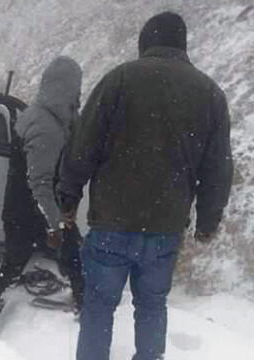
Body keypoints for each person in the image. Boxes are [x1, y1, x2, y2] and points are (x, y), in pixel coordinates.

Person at [56, 12, 233, 360]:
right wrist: (208, 221)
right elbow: (217, 169)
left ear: (146, 42)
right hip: (165, 228)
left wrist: (68, 196)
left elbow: (82, 146)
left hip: (112, 221)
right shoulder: (210, 94)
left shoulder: (120, 80)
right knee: (152, 307)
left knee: (99, 307)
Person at [0, 56, 84, 328]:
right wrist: (55, 224)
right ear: (67, 89)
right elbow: (41, 183)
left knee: (13, 265)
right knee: (73, 257)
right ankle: (86, 309)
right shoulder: (47, 128)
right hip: (35, 211)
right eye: (76, 89)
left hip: (21, 210)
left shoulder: (40, 115)